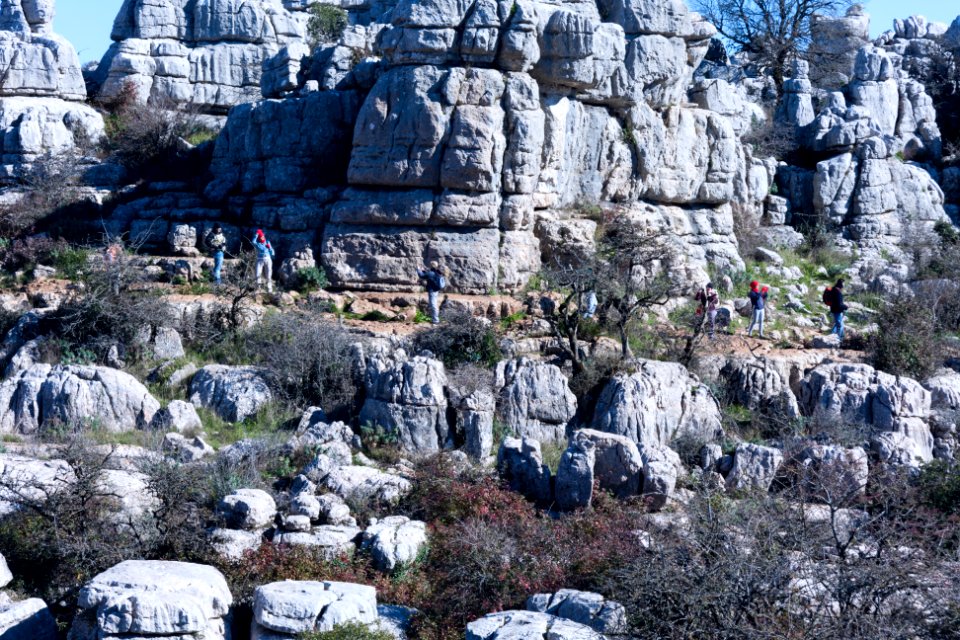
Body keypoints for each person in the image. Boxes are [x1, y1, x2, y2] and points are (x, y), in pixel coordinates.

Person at [252, 229, 275, 293]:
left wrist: (269, 248)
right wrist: (256, 235)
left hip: (267, 259)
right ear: (259, 238)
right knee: (257, 274)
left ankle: (269, 289)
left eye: (263, 236)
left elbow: (272, 252)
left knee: (268, 274)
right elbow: (253, 242)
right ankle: (257, 288)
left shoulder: (267, 242)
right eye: (261, 237)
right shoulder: (258, 244)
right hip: (259, 259)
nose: (262, 238)